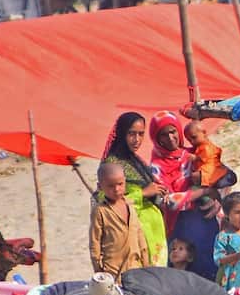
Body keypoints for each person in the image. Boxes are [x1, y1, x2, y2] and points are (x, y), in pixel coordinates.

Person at [102, 111, 169, 266]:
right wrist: (144, 193)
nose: (136, 140)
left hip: (152, 231)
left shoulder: (135, 160)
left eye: (141, 134)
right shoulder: (112, 164)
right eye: (131, 134)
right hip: (134, 235)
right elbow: (104, 202)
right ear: (121, 133)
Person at [89, 162, 149, 281]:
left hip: (136, 267)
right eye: (110, 186)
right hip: (113, 271)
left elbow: (139, 234)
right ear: (100, 186)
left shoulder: (129, 205)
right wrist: (98, 270)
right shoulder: (100, 211)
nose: (116, 189)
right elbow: (94, 242)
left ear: (125, 182)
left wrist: (146, 264)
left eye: (120, 184)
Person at [214, 192, 240, 291]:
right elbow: (219, 260)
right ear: (228, 214)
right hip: (229, 283)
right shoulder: (223, 236)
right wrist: (237, 256)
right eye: (237, 212)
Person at [183, 120, 228, 188]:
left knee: (194, 176)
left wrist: (195, 158)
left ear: (204, 133)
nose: (192, 141)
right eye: (189, 140)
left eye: (194, 137)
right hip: (205, 169)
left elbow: (205, 156)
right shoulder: (199, 146)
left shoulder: (206, 146)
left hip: (210, 170)